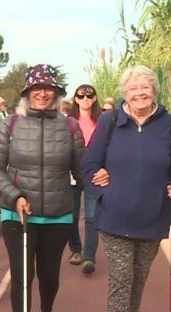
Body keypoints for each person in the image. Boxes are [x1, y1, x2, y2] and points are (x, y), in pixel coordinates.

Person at [81, 65, 171, 312]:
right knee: (120, 278)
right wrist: (98, 184)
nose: (139, 93)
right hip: (114, 217)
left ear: (154, 90)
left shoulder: (170, 125)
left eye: (145, 87)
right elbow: (88, 163)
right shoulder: (110, 121)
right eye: (133, 89)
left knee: (139, 278)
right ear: (124, 94)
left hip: (152, 219)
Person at [0, 64, 90, 312]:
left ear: (57, 93)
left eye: (49, 88)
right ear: (27, 92)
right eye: (37, 88)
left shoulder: (69, 126)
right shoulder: (11, 125)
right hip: (18, 214)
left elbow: (81, 169)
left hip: (58, 214)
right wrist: (14, 195)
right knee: (22, 277)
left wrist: (104, 182)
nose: (43, 92)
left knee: (48, 276)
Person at [67, 84, 102, 273]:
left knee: (91, 216)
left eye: (89, 95)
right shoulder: (69, 121)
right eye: (81, 95)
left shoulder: (103, 120)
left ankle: (89, 256)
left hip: (94, 171)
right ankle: (75, 250)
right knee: (70, 217)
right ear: (76, 99)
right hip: (72, 171)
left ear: (95, 98)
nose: (85, 98)